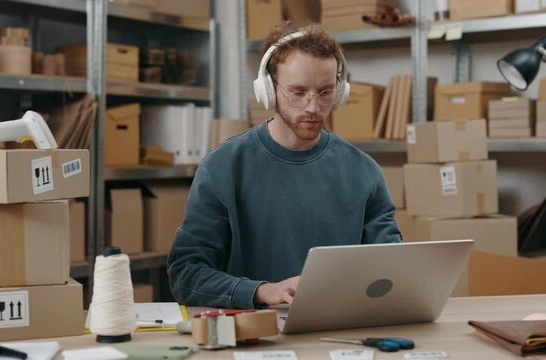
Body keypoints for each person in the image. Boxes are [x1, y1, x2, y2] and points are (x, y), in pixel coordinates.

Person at [167, 22, 401, 309]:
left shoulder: (364, 171)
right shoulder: (223, 166)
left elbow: (392, 267)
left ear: (340, 93)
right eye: (298, 92)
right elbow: (186, 274)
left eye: (325, 92)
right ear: (267, 89)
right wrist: (260, 291)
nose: (313, 107)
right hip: (253, 332)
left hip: (340, 328)